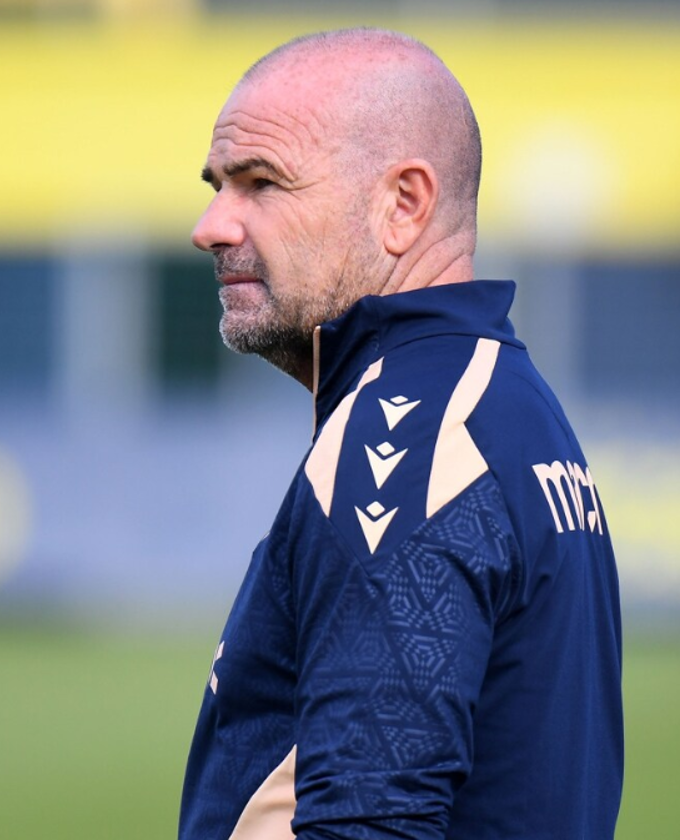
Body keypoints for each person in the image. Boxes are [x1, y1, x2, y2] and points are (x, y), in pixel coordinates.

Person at [178, 27, 622, 840]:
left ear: (403, 205)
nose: (211, 225)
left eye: (260, 183)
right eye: (217, 185)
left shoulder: (407, 438)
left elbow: (370, 824)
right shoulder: (508, 404)